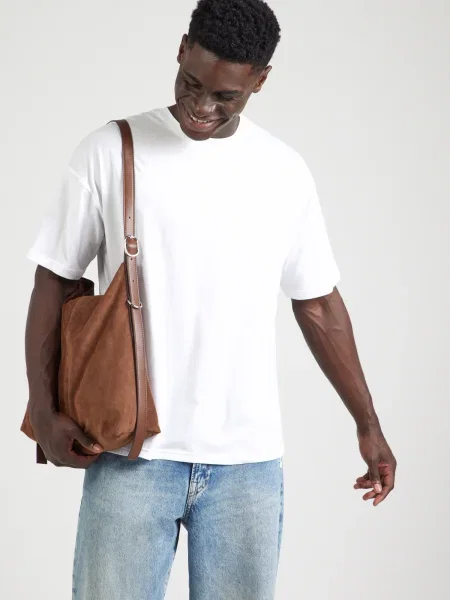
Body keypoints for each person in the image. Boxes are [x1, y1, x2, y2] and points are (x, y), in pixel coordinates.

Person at [24, 0, 397, 598]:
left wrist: (368, 424)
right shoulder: (110, 149)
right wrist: (42, 412)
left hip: (247, 467)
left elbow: (318, 305)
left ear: (260, 80)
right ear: (181, 49)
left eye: (226, 96)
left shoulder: (283, 171)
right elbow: (54, 281)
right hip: (130, 456)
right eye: (191, 83)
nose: (201, 107)